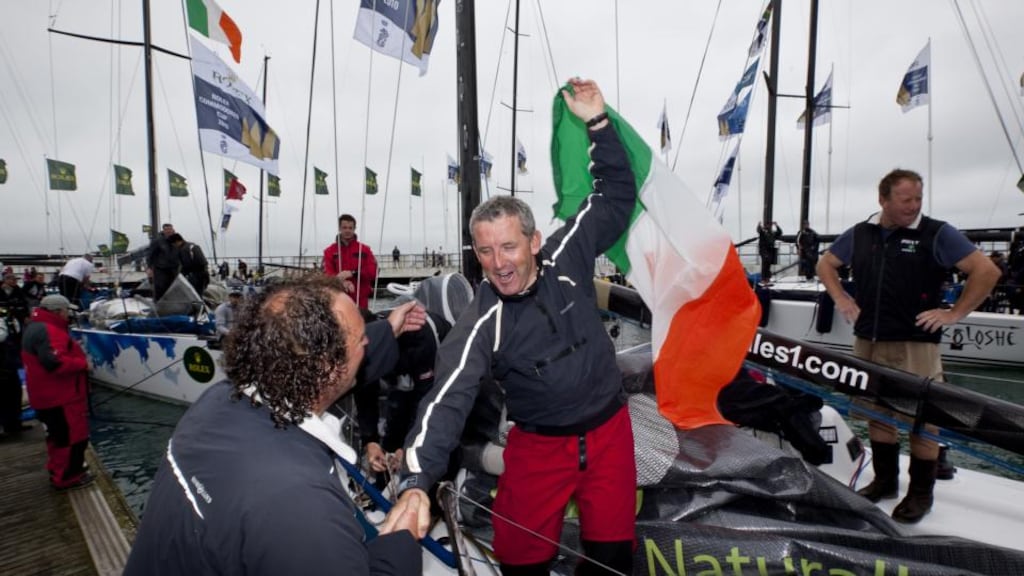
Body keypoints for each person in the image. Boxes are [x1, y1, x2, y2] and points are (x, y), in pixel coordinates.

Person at [386, 78, 636, 575]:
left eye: (508, 247)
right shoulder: (482, 321)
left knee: (612, 559)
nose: (497, 263)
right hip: (540, 450)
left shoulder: (569, 252)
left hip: (610, 433)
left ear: (535, 241)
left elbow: (615, 195)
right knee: (521, 561)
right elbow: (446, 400)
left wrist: (598, 123)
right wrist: (415, 482)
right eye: (484, 251)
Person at [124, 276, 427, 575]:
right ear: (328, 366)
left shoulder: (215, 401)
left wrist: (388, 328)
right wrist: (402, 542)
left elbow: (332, 360)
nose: (368, 342)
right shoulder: (301, 504)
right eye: (362, 339)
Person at [817, 168, 1001, 524]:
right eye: (906, 200)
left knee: (922, 422)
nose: (914, 206)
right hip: (868, 338)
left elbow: (987, 271)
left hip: (915, 343)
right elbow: (826, 263)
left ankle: (920, 494)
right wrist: (841, 297)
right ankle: (885, 482)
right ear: (883, 200)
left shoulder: (937, 233)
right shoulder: (861, 233)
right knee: (876, 413)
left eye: (918, 198)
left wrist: (954, 313)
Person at [21, 295, 92, 489]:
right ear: (58, 311)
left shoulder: (35, 326)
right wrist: (83, 364)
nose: (68, 315)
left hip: (48, 395)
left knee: (57, 437)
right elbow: (55, 362)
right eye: (66, 311)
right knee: (71, 439)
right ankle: (68, 478)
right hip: (60, 397)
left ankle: (58, 470)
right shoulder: (49, 330)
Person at [323, 213, 378, 310]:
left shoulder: (364, 249)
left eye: (350, 227)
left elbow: (373, 271)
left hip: (360, 300)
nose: (347, 230)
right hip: (338, 298)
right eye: (344, 227)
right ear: (339, 228)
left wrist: (352, 273)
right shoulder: (329, 251)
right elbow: (327, 274)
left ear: (354, 228)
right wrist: (341, 282)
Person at [0, 270, 31, 438]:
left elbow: (23, 306)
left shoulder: (18, 293)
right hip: (3, 352)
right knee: (5, 391)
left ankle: (14, 423)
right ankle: (6, 424)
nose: (13, 281)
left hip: (13, 344)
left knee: (14, 389)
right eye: (9, 278)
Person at [146, 223, 179, 301]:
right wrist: (149, 268)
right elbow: (150, 255)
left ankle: (173, 304)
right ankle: (158, 304)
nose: (168, 231)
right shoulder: (157, 241)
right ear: (163, 231)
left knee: (174, 287)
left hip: (174, 268)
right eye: (166, 230)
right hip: (161, 269)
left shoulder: (176, 239)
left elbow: (182, 250)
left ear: (173, 230)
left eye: (170, 230)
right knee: (160, 288)